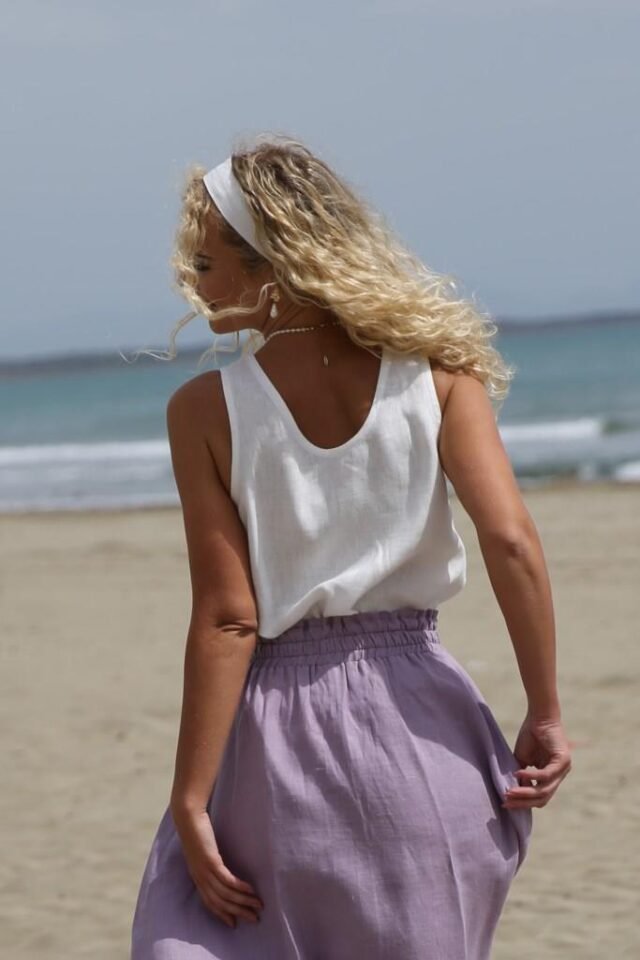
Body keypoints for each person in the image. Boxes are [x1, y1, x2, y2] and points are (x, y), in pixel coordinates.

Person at [130, 134, 572, 959]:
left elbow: (230, 619)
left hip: (277, 743)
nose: (194, 283)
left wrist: (191, 799)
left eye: (207, 261)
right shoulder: (441, 376)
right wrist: (544, 711)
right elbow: (510, 542)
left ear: (270, 265)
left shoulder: (205, 411)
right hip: (428, 727)